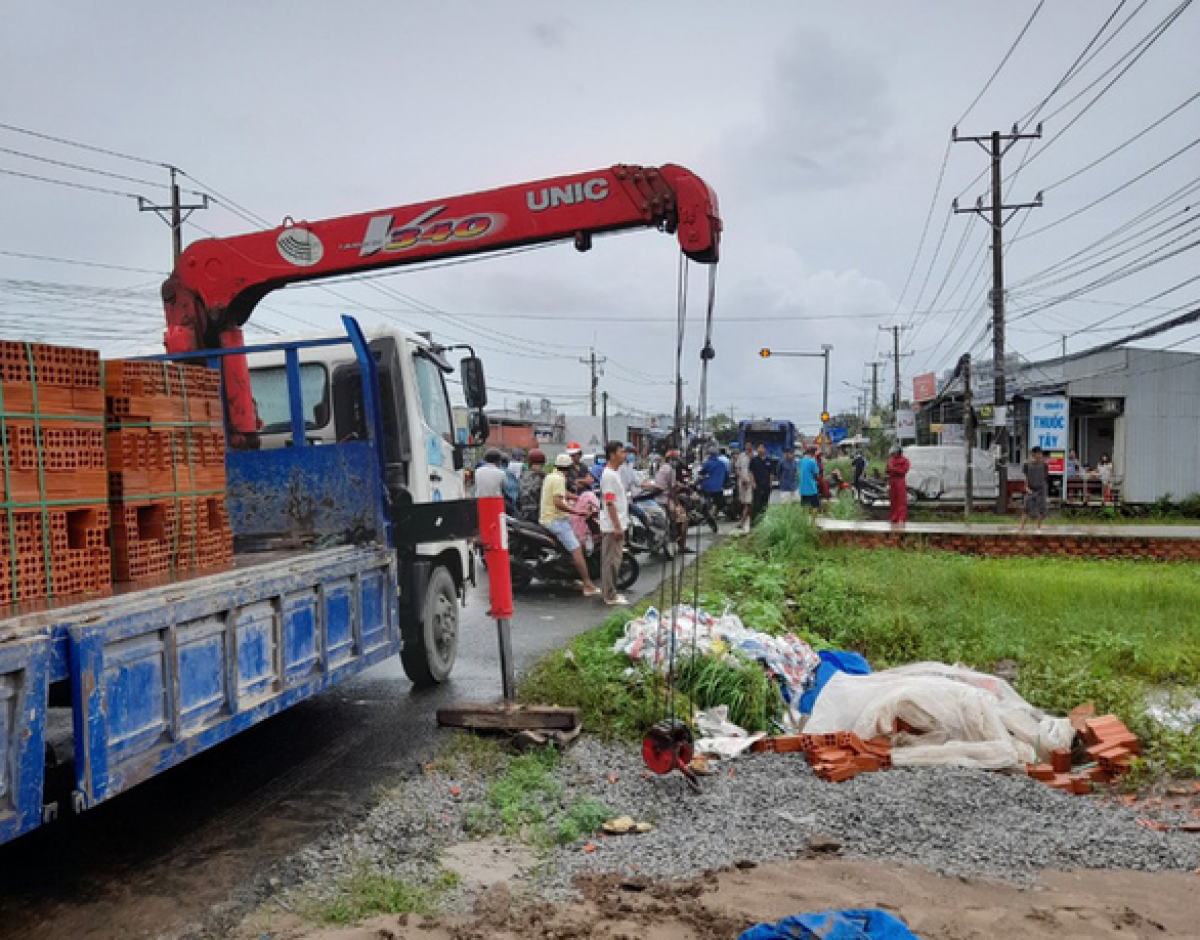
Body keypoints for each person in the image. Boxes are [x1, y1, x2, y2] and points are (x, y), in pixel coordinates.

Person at [540, 453, 601, 596]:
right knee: (576, 549)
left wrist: (577, 497)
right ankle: (587, 584)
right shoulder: (559, 479)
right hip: (555, 520)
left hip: (550, 518)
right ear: (568, 468)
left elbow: (561, 494)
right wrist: (577, 512)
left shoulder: (551, 476)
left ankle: (570, 576)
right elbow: (558, 502)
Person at [598, 440, 631, 606]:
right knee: (611, 561)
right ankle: (610, 595)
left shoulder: (614, 473)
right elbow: (610, 502)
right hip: (612, 526)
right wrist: (617, 526)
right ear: (612, 455)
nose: (624, 455)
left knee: (613, 560)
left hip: (616, 523)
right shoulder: (609, 476)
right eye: (621, 452)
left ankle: (610, 592)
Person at [655, 449, 691, 552]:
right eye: (675, 459)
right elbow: (673, 489)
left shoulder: (662, 468)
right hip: (666, 499)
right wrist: (677, 503)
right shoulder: (670, 470)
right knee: (684, 519)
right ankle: (682, 546)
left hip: (658, 499)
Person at [1019, 446, 1049, 533]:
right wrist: (1026, 487)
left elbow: (1045, 477)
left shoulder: (1044, 465)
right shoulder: (1027, 465)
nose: (1039, 457)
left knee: (1041, 509)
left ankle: (1038, 528)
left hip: (1041, 489)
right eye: (1037, 455)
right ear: (1033, 454)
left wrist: (1044, 490)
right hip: (1031, 488)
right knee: (1026, 508)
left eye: (1040, 455)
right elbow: (1025, 477)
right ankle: (1021, 527)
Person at [517, 449, 547, 522]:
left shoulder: (522, 476)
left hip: (523, 514)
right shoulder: (543, 477)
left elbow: (518, 499)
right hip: (538, 515)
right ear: (543, 463)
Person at [698, 446, 728, 519]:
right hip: (718, 487)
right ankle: (713, 511)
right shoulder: (722, 464)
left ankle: (708, 511)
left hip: (706, 486)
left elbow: (701, 472)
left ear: (709, 454)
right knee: (720, 502)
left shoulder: (706, 463)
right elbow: (726, 475)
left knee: (704, 497)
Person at [885, 445, 910, 526]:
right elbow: (887, 470)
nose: (892, 454)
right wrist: (887, 471)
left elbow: (904, 471)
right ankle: (893, 518)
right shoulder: (890, 460)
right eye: (892, 453)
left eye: (894, 453)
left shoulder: (904, 460)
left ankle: (901, 519)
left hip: (900, 480)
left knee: (901, 500)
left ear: (898, 452)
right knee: (893, 500)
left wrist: (894, 469)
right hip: (891, 480)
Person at [749, 443, 772, 523]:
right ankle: (753, 522)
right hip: (757, 486)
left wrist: (770, 484)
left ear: (765, 450)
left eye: (762, 448)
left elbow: (770, 473)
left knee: (764, 505)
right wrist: (753, 483)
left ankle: (762, 521)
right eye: (759, 448)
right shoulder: (754, 460)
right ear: (757, 449)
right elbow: (751, 472)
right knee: (756, 505)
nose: (761, 449)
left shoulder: (768, 460)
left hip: (766, 486)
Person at [735, 443, 754, 533]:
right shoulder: (741, 456)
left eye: (749, 446)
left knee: (748, 502)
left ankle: (742, 521)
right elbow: (737, 468)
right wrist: (741, 477)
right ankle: (748, 519)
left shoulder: (754, 457)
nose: (748, 448)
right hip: (742, 482)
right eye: (747, 446)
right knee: (743, 502)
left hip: (751, 483)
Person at [798, 445, 821, 517]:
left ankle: (803, 522)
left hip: (802, 488)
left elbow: (799, 472)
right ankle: (812, 523)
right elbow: (817, 475)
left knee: (803, 507)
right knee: (815, 506)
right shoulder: (812, 462)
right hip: (811, 488)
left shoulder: (801, 461)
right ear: (813, 453)